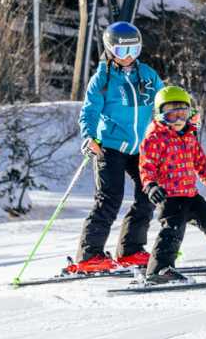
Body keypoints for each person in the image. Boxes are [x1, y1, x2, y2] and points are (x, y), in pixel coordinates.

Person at [65, 22, 165, 274]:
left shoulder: (148, 75)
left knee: (147, 195)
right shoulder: (103, 79)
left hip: (141, 148)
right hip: (109, 146)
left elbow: (163, 101)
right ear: (110, 50)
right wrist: (89, 137)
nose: (128, 56)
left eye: (134, 50)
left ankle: (131, 250)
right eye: (122, 51)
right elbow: (89, 111)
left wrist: (183, 113)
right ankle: (90, 255)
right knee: (110, 198)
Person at [136, 86, 206, 284]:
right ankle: (160, 269)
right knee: (173, 230)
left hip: (190, 194)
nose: (179, 120)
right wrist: (151, 185)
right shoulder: (154, 138)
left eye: (183, 114)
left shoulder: (189, 137)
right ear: (160, 114)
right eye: (172, 115)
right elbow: (147, 166)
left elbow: (202, 165)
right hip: (169, 196)